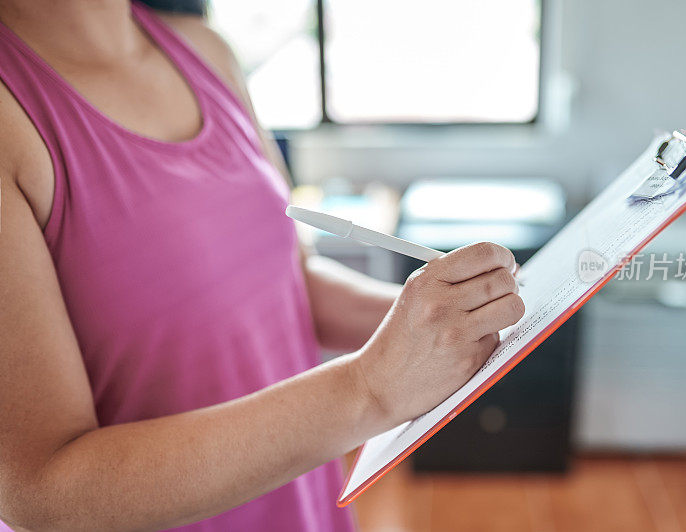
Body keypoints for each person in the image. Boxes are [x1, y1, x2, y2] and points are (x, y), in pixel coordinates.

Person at [0, 1, 525, 530]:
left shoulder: (205, 50)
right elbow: (39, 491)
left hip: (302, 507)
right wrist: (369, 387)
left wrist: (450, 322)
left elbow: (293, 281)